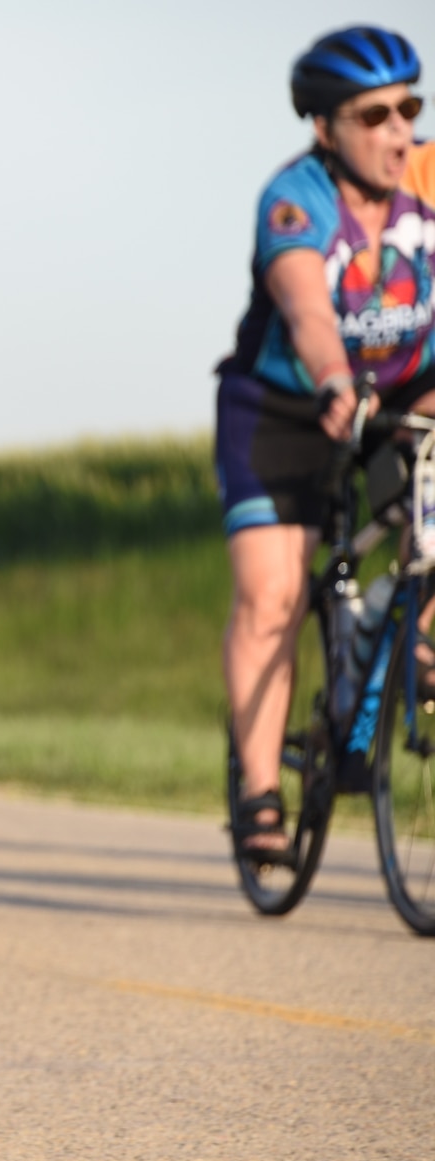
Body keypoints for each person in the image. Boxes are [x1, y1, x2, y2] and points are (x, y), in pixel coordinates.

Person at [218, 26, 435, 859]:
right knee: (273, 593)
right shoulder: (296, 198)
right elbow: (309, 308)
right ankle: (260, 789)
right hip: (285, 406)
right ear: (325, 127)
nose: (397, 131)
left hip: (410, 385)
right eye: (373, 114)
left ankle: (412, 632)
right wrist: (335, 379)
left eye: (409, 108)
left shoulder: (423, 174)